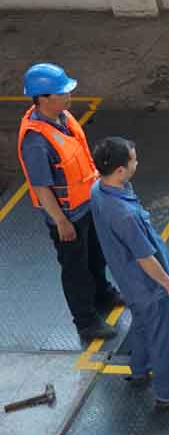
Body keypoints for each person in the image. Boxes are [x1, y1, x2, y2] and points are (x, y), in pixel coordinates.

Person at [89, 137, 169, 408]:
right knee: (163, 339)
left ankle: (139, 369)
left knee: (142, 325)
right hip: (149, 287)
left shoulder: (98, 190)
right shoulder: (125, 215)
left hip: (129, 282)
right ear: (120, 170)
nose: (137, 163)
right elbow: (145, 258)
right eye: (133, 160)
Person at [17, 63, 122, 341]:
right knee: (76, 269)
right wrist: (61, 222)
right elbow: (41, 187)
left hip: (87, 204)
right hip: (68, 217)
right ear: (43, 99)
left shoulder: (61, 118)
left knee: (95, 256)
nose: (68, 97)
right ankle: (86, 322)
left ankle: (103, 294)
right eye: (62, 93)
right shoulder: (36, 142)